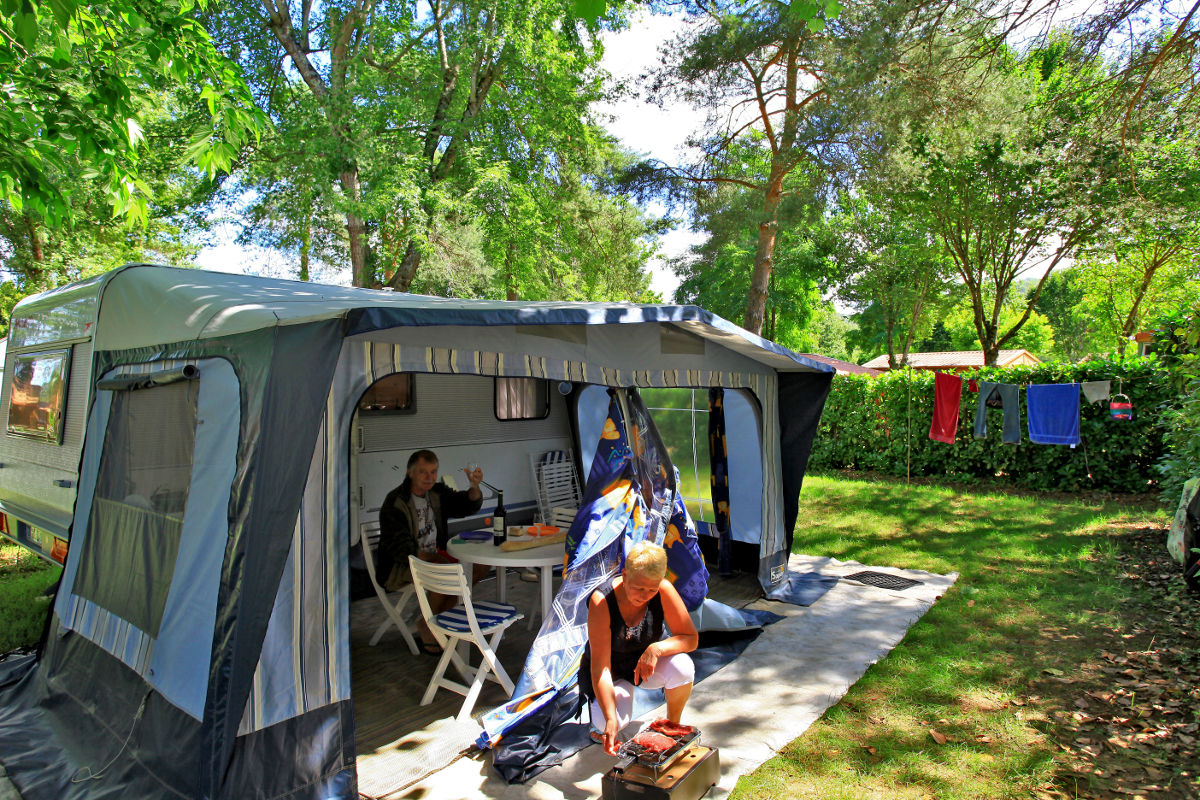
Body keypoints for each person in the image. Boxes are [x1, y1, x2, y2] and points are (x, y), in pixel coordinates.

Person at [581, 540, 699, 755]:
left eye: (652, 590)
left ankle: (671, 726)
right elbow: (601, 669)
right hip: (613, 671)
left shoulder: (663, 589)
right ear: (625, 576)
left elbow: (690, 638)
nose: (645, 596)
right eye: (639, 588)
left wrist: (655, 649)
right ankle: (599, 719)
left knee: (683, 666)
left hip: (647, 666)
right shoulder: (602, 601)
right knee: (610, 724)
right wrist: (610, 720)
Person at [378, 449, 488, 656]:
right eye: (423, 472)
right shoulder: (396, 502)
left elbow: (467, 505)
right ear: (411, 473)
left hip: (433, 555)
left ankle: (432, 619)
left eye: (433, 472)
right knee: (442, 574)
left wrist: (474, 486)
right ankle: (430, 626)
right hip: (401, 563)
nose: (429, 477)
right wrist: (436, 559)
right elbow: (401, 550)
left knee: (480, 565)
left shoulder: (437, 493)